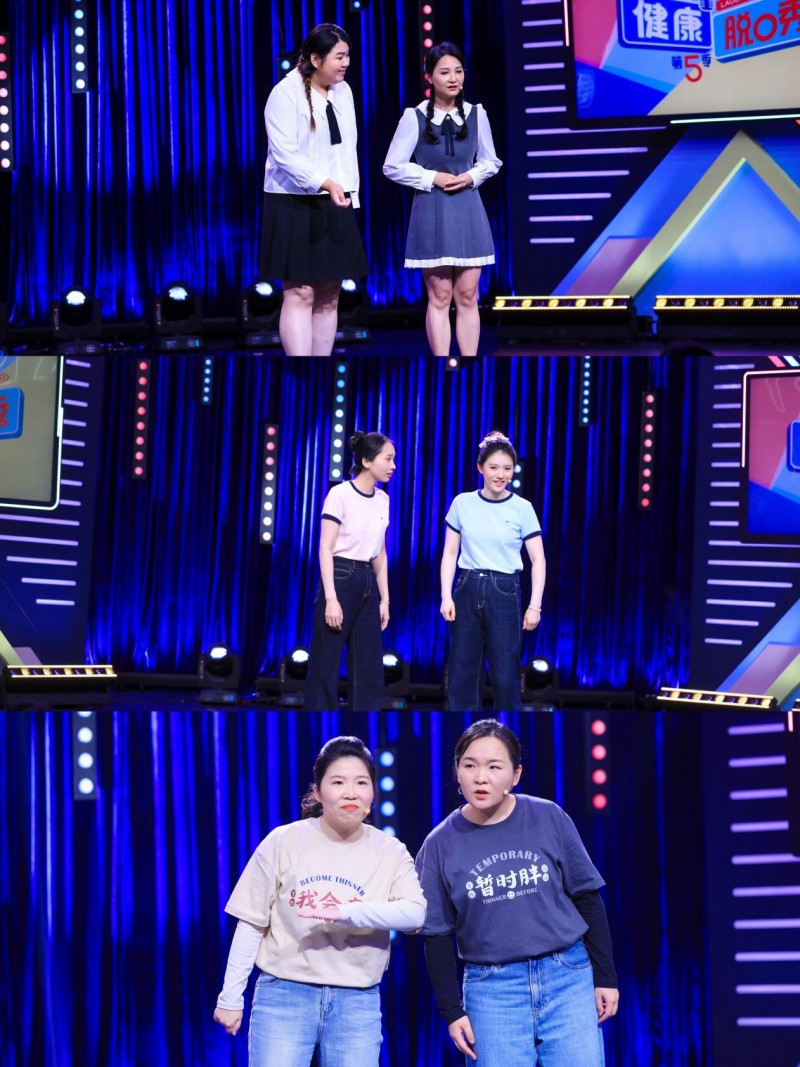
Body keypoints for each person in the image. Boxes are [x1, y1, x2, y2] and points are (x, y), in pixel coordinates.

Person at [416, 719, 619, 1067]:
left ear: (516, 774)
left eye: (494, 767)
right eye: (470, 766)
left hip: (567, 976)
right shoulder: (439, 844)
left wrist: (606, 977)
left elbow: (587, 899)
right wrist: (451, 1011)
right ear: (457, 772)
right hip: (492, 990)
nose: (481, 778)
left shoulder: (548, 816)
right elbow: (435, 934)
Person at [213, 735, 426, 1066]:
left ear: (373, 791)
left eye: (361, 782)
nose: (350, 792)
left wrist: (346, 912)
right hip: (284, 995)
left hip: (356, 1001)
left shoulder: (390, 851)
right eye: (338, 782)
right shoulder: (283, 841)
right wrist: (230, 996)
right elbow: (251, 923)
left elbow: (415, 915)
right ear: (318, 791)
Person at [383, 41, 502, 358]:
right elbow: (392, 166)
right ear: (429, 77)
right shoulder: (414, 117)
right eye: (445, 72)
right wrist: (430, 177)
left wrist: (472, 176)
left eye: (458, 71)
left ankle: (469, 362)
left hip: (468, 209)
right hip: (431, 210)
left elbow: (491, 161)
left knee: (468, 295)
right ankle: (441, 363)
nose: (453, 78)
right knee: (440, 296)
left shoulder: (477, 114)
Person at [261, 23, 369, 356]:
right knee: (300, 293)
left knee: (330, 293)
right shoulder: (285, 93)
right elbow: (284, 154)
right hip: (294, 201)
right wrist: (324, 182)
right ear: (315, 58)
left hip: (336, 199)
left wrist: (348, 191)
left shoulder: (343, 91)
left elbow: (346, 150)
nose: (345, 63)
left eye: (347, 55)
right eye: (339, 56)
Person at [441, 430, 545, 712]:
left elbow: (538, 559)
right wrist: (446, 596)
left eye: (507, 469)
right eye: (494, 467)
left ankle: (508, 731)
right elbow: (450, 553)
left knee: (505, 674)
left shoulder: (522, 508)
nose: (501, 475)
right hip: (467, 586)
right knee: (463, 672)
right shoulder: (462, 502)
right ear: (480, 468)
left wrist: (534, 606)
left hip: (504, 589)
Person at [303, 431, 395, 711]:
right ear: (367, 461)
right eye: (388, 459)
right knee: (326, 661)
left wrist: (385, 599)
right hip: (340, 575)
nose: (393, 466)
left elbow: (380, 552)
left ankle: (364, 724)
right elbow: (325, 548)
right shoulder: (340, 494)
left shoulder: (383, 499)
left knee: (369, 667)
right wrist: (331, 598)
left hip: (367, 577)